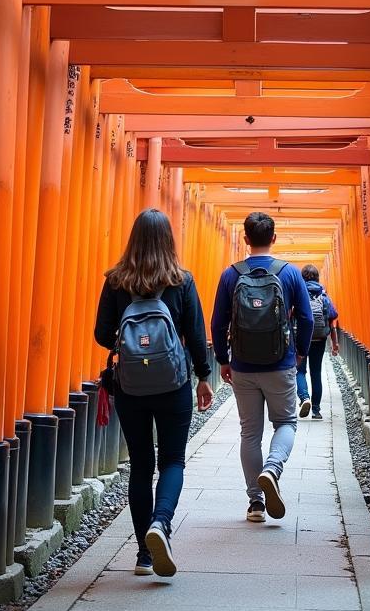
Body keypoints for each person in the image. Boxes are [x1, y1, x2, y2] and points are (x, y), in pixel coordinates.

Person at [94, 209, 213, 578]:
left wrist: (128, 339)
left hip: (130, 386)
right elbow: (196, 335)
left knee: (141, 466)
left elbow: (101, 334)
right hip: (173, 384)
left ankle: (144, 556)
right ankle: (161, 523)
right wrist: (203, 377)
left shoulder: (116, 280)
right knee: (173, 460)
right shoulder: (181, 280)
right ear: (168, 241)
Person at [210, 211, 313, 523]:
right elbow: (307, 319)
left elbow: (217, 322)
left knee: (250, 432)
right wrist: (299, 355)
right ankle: (273, 468)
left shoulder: (231, 275)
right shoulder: (290, 273)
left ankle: (255, 503)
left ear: (245, 239)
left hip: (242, 365)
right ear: (273, 238)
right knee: (286, 423)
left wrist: (223, 361)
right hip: (281, 362)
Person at [295, 264, 340, 420]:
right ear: (317, 278)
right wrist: (335, 343)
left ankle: (304, 398)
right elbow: (332, 318)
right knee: (316, 373)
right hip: (319, 339)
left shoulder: (298, 293)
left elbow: (289, 316)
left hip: (301, 339)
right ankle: (316, 410)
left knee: (300, 371)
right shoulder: (323, 295)